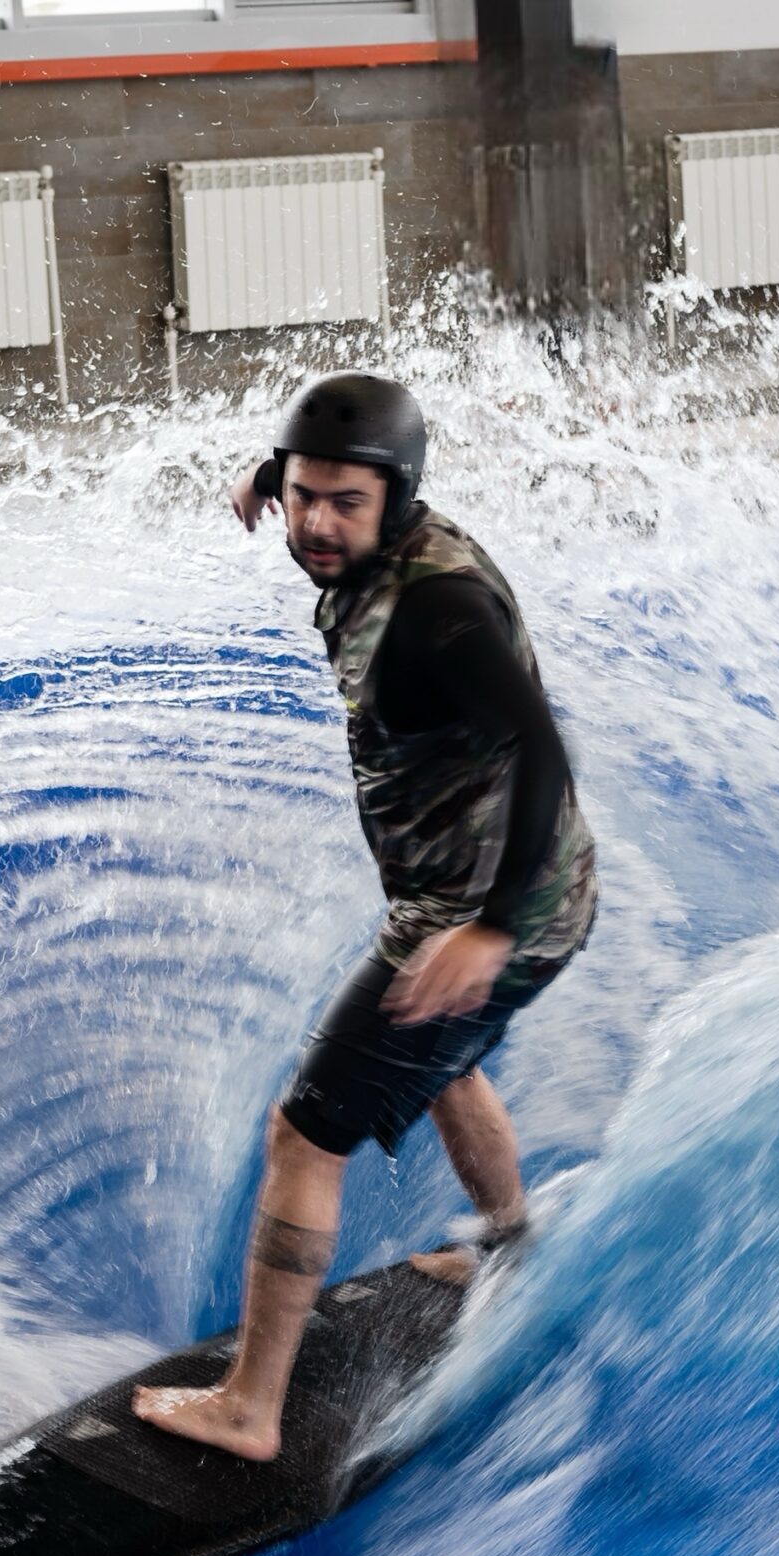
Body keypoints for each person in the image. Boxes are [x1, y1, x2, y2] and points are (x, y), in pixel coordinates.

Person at [135, 373, 597, 1461]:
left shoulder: (439, 607)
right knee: (436, 1058)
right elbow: (313, 477)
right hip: (511, 897)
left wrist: (482, 929)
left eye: (344, 503)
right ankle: (511, 1246)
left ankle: (249, 1409)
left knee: (305, 1131)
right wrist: (263, 475)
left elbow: (539, 748)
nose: (315, 523)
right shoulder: (358, 526)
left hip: (492, 907)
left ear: (396, 498)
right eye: (302, 497)